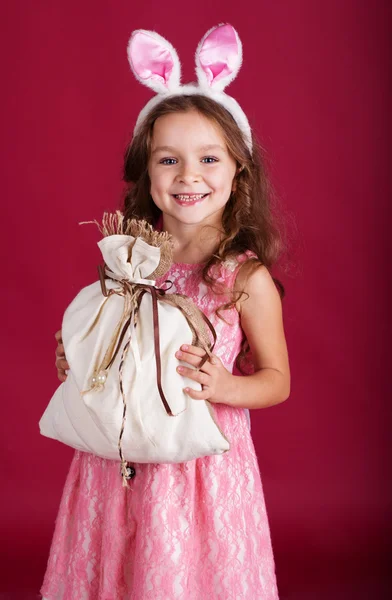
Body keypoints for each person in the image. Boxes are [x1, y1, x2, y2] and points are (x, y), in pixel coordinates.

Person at [41, 24, 290, 600]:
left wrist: (225, 385)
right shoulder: (131, 258)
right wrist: (80, 356)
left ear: (238, 171)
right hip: (118, 460)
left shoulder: (243, 277)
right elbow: (111, 339)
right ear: (145, 172)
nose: (188, 176)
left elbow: (277, 380)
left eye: (208, 158)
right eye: (168, 159)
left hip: (196, 472)